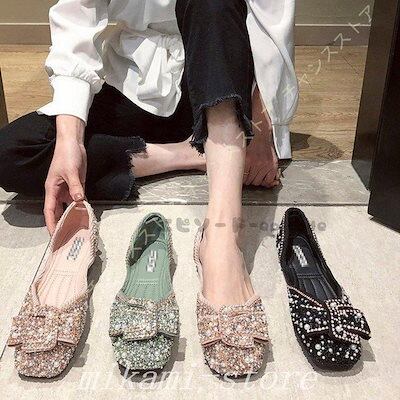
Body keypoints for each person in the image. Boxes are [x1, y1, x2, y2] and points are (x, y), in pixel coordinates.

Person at [0, 0, 298, 308]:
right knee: (11, 154)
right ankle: (187, 154)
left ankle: (222, 239)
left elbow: (271, 23)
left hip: (219, 85)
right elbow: (76, 21)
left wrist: (261, 129)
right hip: (135, 79)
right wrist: (69, 140)